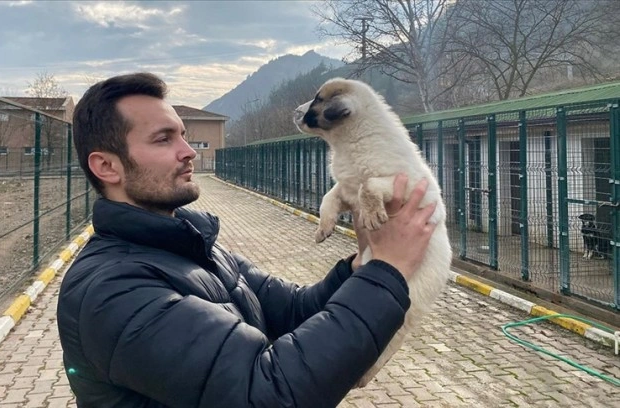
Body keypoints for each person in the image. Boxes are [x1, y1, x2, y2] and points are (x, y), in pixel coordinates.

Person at [56, 72, 437, 408]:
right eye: (163, 139)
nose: (188, 152)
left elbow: (293, 312)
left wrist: (361, 265)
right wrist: (388, 270)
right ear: (106, 166)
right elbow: (264, 392)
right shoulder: (112, 292)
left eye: (185, 136)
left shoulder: (195, 246)